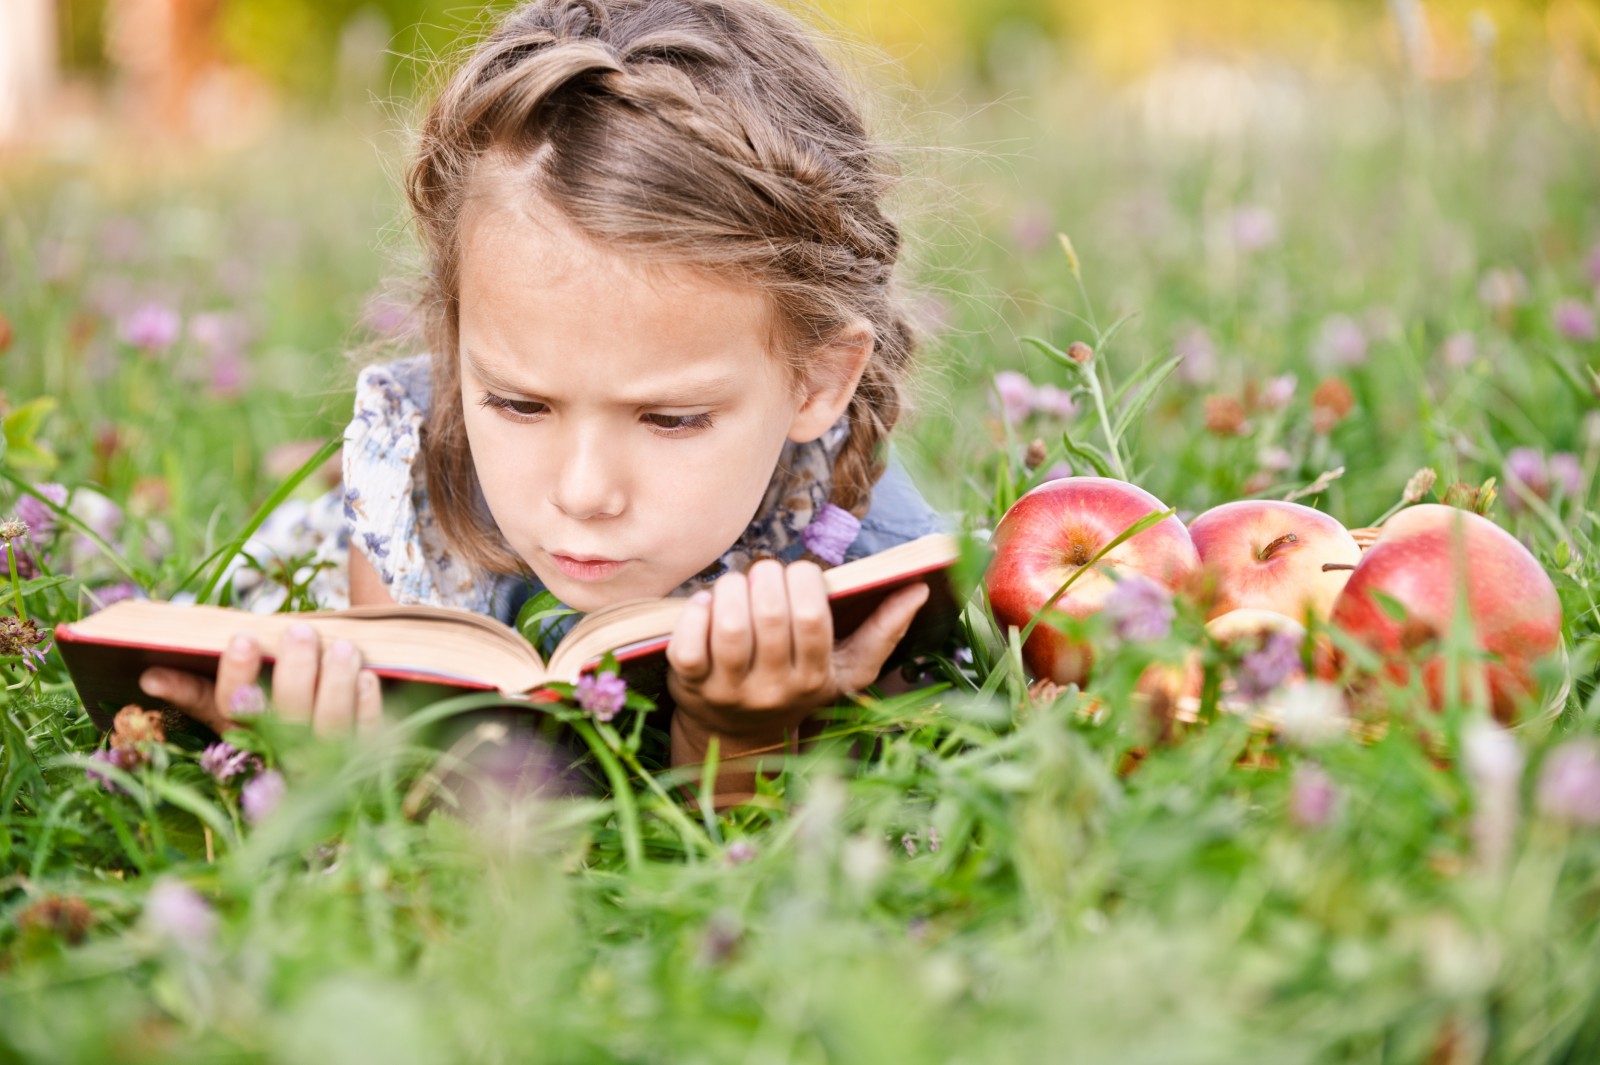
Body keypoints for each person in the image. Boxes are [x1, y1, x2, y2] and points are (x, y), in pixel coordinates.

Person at [137, 0, 947, 800]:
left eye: (669, 418)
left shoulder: (867, 564)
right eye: (521, 404)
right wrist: (341, 767)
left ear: (818, 382)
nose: (583, 492)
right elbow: (440, 819)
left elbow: (728, 874)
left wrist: (740, 736)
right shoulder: (415, 499)